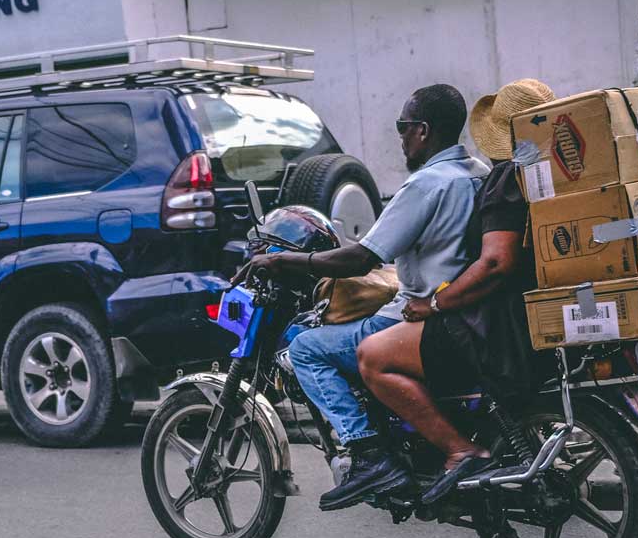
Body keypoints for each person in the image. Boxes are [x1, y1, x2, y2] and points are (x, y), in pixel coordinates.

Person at [235, 84, 488, 510]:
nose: (401, 136)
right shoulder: (477, 171)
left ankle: (369, 454)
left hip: (424, 318)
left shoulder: (427, 184)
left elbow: (359, 257)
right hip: (467, 311)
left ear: (423, 131)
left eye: (402, 127)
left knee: (308, 347)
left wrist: (287, 263)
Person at [357, 79, 559, 505]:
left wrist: (433, 303)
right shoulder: (543, 176)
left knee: (372, 355)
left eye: (403, 126)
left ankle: (459, 450)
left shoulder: (507, 179)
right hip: (519, 311)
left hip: (494, 322)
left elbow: (494, 263)